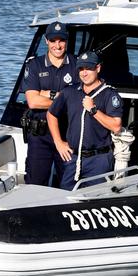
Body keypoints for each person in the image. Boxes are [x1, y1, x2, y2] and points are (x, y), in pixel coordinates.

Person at [47, 51, 123, 190]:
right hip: (73, 159)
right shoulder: (70, 92)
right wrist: (58, 142)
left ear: (98, 68)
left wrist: (93, 110)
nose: (84, 73)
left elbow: (116, 126)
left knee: (96, 199)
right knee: (64, 197)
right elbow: (51, 114)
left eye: (89, 68)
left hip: (98, 160)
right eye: (81, 69)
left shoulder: (109, 94)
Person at [20, 21, 78, 186]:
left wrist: (47, 94)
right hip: (40, 136)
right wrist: (61, 97)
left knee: (67, 184)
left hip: (67, 133)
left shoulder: (77, 66)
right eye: (53, 41)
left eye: (61, 40)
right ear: (46, 41)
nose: (57, 45)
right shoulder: (34, 65)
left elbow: (78, 100)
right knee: (35, 183)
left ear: (67, 40)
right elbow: (33, 102)